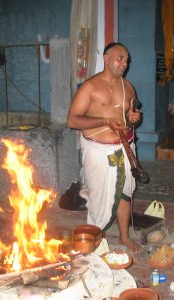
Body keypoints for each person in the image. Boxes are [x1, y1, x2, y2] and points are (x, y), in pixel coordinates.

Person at [67, 42, 142, 252]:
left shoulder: (128, 87)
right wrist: (104, 121)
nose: (124, 64)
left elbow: (130, 118)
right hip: (98, 151)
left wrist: (133, 118)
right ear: (107, 59)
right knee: (99, 198)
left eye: (126, 60)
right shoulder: (90, 87)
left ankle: (125, 237)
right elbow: (72, 120)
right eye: (120, 58)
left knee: (126, 193)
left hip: (125, 147)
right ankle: (96, 236)